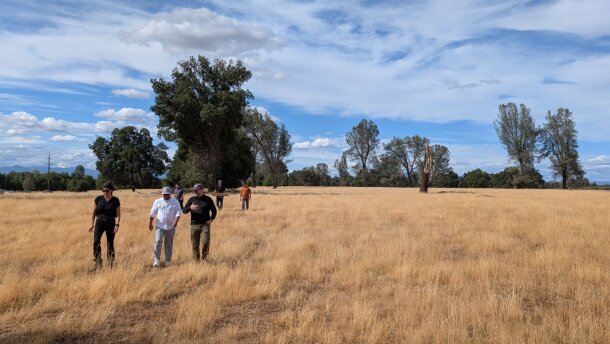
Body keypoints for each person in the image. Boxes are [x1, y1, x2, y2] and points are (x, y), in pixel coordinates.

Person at [89, 182, 121, 270]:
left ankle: (111, 263)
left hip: (111, 223)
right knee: (96, 242)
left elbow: (118, 215)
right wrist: (92, 224)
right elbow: (94, 212)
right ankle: (98, 262)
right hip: (99, 223)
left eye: (107, 191)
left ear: (111, 191)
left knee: (110, 243)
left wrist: (117, 225)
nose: (105, 192)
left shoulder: (115, 200)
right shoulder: (98, 199)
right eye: (103, 191)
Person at [182, 184, 217, 261]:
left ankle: (205, 259)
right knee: (195, 244)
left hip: (205, 225)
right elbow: (184, 210)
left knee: (205, 242)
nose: (195, 191)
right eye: (194, 190)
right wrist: (190, 207)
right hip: (194, 225)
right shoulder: (192, 199)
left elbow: (214, 211)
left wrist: (211, 219)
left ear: (202, 189)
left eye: (196, 190)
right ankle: (196, 260)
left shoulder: (208, 199)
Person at [149, 186, 181, 268]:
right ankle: (157, 261)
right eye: (164, 194)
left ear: (170, 194)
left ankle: (168, 261)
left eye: (167, 194)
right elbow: (153, 212)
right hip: (160, 226)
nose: (165, 196)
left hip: (171, 226)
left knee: (169, 243)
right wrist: (150, 223)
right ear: (162, 194)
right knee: (158, 241)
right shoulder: (157, 201)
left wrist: (176, 222)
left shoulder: (175, 202)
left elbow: (178, 212)